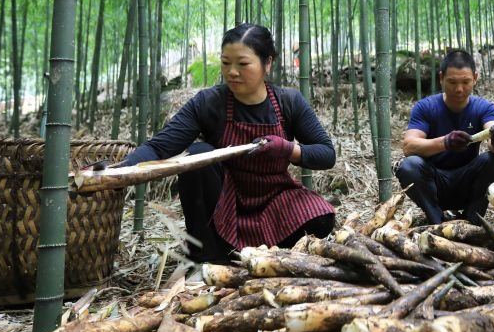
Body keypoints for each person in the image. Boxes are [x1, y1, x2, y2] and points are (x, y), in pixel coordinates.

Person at [122, 23, 336, 263]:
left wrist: (287, 149)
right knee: (197, 154)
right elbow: (159, 147)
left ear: (267, 63)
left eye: (243, 64)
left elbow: (326, 154)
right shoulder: (209, 102)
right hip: (225, 202)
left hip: (275, 201)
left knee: (321, 219)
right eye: (225, 63)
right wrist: (118, 169)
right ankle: (208, 258)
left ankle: (261, 254)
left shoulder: (289, 101)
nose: (232, 72)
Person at [395, 49, 494, 225]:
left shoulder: (484, 108)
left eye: (465, 82)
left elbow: (491, 134)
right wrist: (445, 142)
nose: (459, 89)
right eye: (452, 82)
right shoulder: (425, 107)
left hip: (468, 182)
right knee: (409, 166)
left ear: (475, 78)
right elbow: (408, 146)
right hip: (434, 183)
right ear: (441, 78)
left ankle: (474, 219)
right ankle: (436, 219)